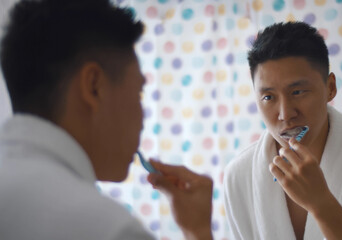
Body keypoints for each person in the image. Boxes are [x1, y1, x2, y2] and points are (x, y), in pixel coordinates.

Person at [0, 0, 213, 240]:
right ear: (93, 86)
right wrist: (199, 232)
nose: (143, 120)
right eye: (138, 93)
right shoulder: (111, 230)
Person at [223, 22, 342, 240]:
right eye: (268, 97)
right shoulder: (237, 175)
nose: (285, 114)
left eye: (297, 91)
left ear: (330, 87)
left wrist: (321, 204)